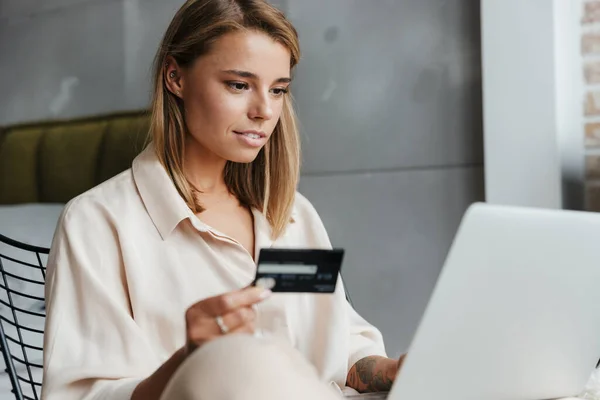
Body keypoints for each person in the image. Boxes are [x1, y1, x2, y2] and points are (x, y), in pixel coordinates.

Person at [41, 1, 404, 399]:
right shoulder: (99, 222)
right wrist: (191, 359)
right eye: (238, 85)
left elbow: (339, 347)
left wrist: (391, 370)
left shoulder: (291, 216)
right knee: (237, 362)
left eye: (278, 90)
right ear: (175, 77)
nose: (265, 111)